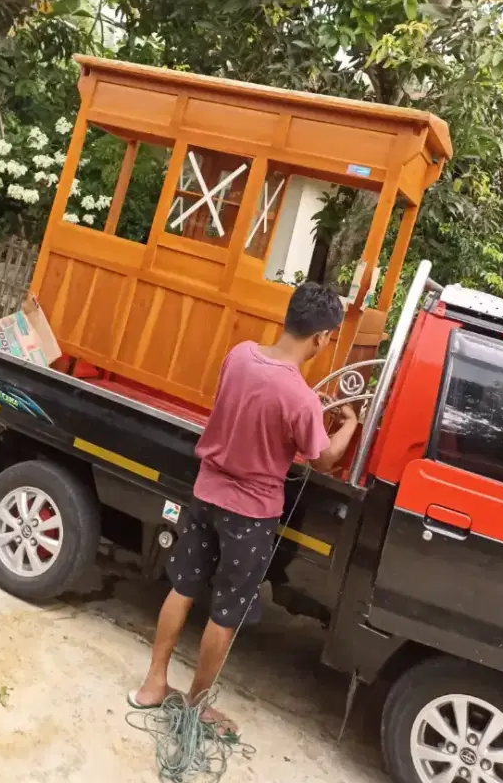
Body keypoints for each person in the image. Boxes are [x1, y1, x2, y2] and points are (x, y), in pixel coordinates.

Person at [129, 282, 359, 731]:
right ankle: (195, 707)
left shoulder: (239, 354)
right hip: (251, 514)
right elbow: (325, 460)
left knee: (184, 587)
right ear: (323, 337)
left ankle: (153, 684)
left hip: (206, 494)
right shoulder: (301, 398)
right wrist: (348, 422)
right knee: (226, 611)